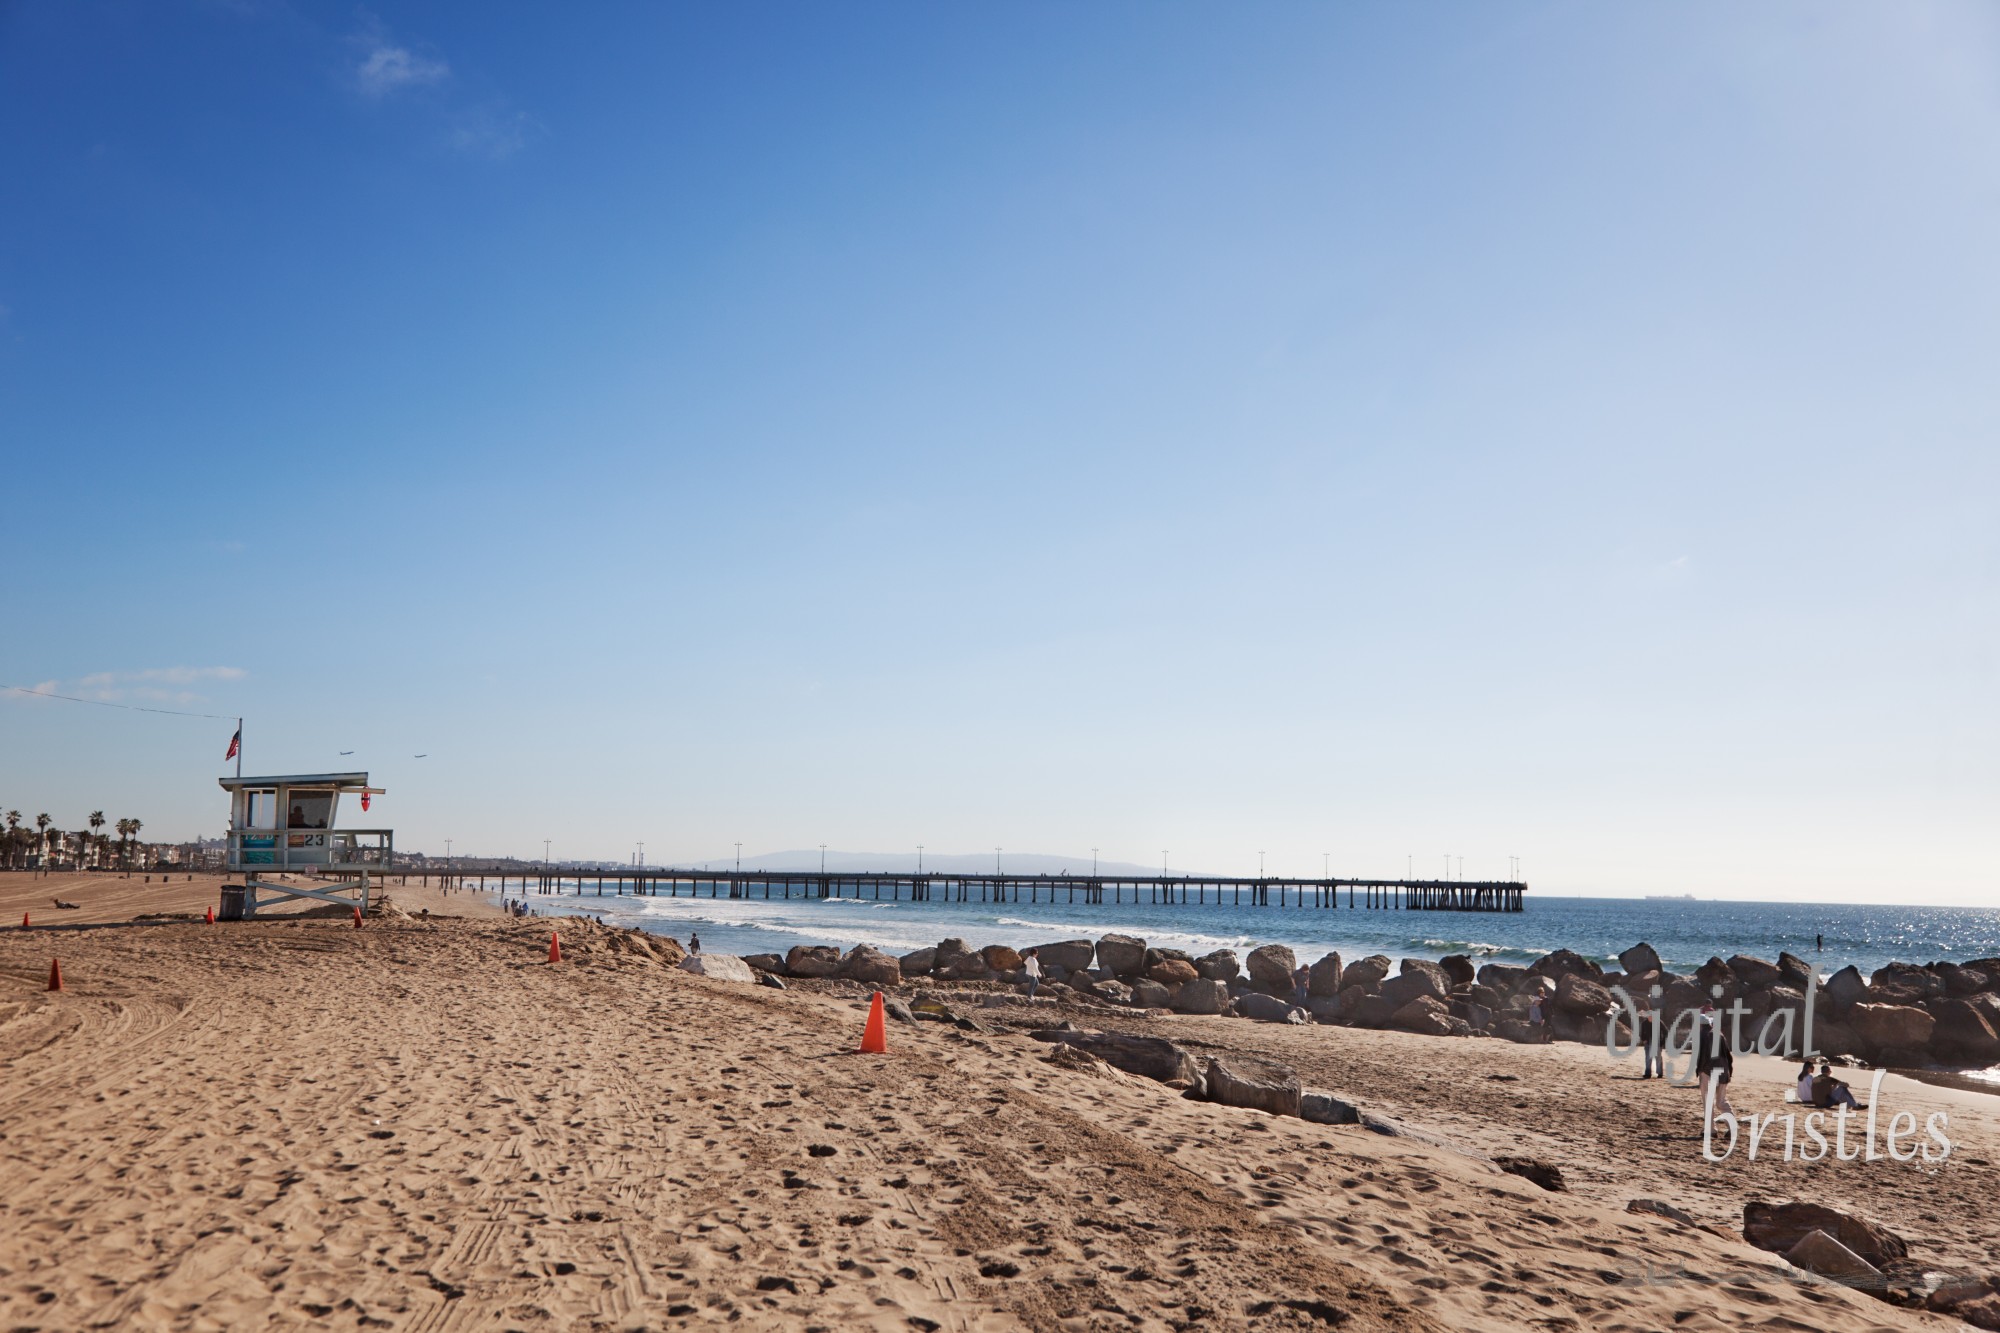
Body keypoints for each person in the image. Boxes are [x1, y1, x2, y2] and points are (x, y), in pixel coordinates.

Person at [1694, 1004, 1735, 1119]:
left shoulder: (1702, 1035)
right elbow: (1728, 1056)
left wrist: (1700, 1071)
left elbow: (1703, 1055)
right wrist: (1729, 1073)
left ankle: (1710, 1129)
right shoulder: (1719, 1034)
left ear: (1700, 1025)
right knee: (1721, 1102)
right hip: (1723, 1071)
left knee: (1708, 1101)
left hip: (1708, 1071)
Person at [1639, 1004, 1661, 1079]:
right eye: (1649, 1015)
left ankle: (1660, 1073)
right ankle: (1648, 1074)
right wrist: (1644, 1040)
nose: (1650, 1017)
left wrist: (1661, 1041)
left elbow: (1665, 1032)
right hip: (1648, 1043)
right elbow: (1641, 1033)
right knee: (1648, 1058)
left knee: (1658, 1058)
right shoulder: (1644, 1023)